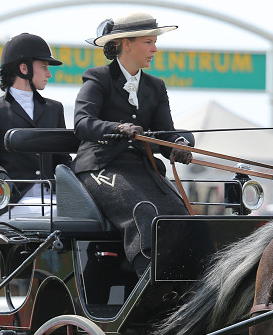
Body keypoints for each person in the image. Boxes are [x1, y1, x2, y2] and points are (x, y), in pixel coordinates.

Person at [73, 12, 194, 277]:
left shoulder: (156, 86)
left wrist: (178, 145)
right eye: (148, 42)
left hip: (141, 167)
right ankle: (147, 277)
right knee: (143, 212)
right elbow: (82, 123)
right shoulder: (97, 78)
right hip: (100, 165)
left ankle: (187, 278)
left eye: (154, 42)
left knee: (180, 214)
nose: (155, 49)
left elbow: (164, 135)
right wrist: (117, 128)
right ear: (126, 43)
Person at [0, 33, 71, 216]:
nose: (49, 74)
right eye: (43, 67)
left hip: (51, 197)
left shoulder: (54, 109)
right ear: (24, 68)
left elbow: (62, 159)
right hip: (12, 202)